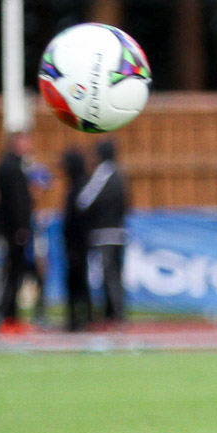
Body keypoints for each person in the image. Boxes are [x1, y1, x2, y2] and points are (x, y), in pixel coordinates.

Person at [78, 139, 129, 326]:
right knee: (115, 274)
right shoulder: (120, 174)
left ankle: (114, 315)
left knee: (109, 275)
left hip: (104, 233)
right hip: (118, 231)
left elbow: (84, 200)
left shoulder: (103, 173)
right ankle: (114, 313)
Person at [0, 132, 35, 332]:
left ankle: (9, 316)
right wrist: (21, 226)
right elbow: (17, 201)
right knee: (13, 273)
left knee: (13, 273)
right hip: (13, 230)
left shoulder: (8, 165)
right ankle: (9, 317)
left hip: (10, 228)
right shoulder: (12, 167)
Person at [61, 149, 93, 332]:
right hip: (75, 243)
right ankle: (80, 317)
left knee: (77, 280)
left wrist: (75, 243)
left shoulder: (80, 188)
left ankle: (80, 318)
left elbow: (79, 218)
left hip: (77, 243)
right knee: (77, 280)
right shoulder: (77, 186)